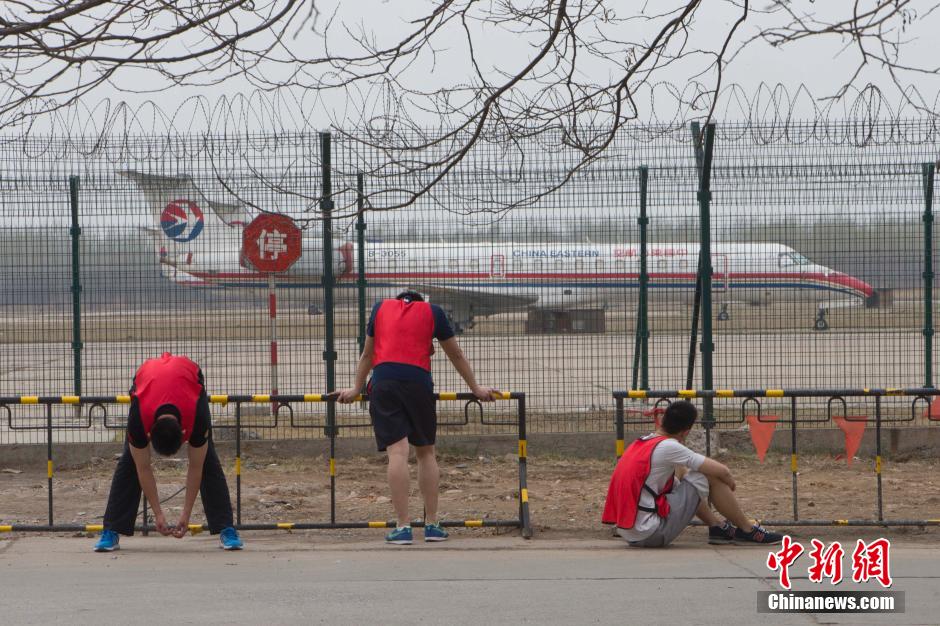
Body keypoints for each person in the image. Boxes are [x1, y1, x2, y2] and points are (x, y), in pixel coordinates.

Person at [335, 291, 499, 545]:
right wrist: (476, 388)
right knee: (426, 452)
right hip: (418, 383)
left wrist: (356, 389)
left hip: (384, 382)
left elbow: (367, 355)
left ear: (399, 300)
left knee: (397, 453)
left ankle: (403, 527)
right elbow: (455, 354)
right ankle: (432, 524)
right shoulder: (433, 312)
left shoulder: (380, 309)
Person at [93, 352, 243, 551]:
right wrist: (158, 514)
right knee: (131, 462)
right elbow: (143, 467)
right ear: (149, 433)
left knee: (206, 459)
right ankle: (111, 530)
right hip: (146, 378)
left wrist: (186, 515)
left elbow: (195, 467)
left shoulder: (198, 414)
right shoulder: (138, 420)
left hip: (188, 376)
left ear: (184, 433)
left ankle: (226, 529)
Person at [602, 400, 783, 547]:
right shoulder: (669, 446)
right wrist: (728, 481)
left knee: (685, 476)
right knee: (706, 475)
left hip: (631, 532)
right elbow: (721, 470)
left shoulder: (642, 442)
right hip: (651, 533)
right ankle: (747, 530)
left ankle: (717, 527)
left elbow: (679, 476)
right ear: (686, 432)